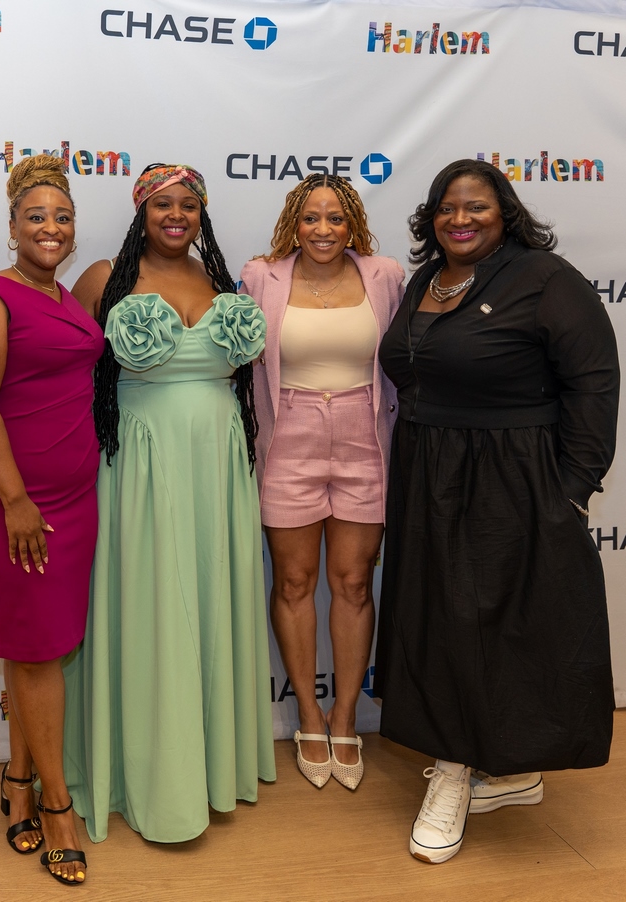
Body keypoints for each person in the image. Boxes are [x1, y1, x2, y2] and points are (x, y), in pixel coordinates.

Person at [374, 158, 619, 863]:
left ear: (504, 213)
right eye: (446, 207)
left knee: (486, 622)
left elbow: (594, 384)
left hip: (509, 478)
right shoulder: (427, 280)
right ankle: (502, 768)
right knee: (439, 617)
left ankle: (455, 772)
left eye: (475, 206)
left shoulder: (546, 280)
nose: (460, 219)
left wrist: (571, 488)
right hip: (428, 472)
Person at [62, 163, 275, 844]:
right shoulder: (105, 277)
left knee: (208, 603)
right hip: (140, 465)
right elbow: (64, 367)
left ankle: (206, 769)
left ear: (202, 214)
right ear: (141, 212)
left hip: (216, 466)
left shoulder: (219, 280)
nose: (176, 214)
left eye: (188, 204)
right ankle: (146, 778)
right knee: (149, 606)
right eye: (162, 204)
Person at [0, 154, 103, 885]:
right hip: (6, 498)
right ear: (11, 226)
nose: (50, 227)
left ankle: (17, 781)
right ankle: (58, 807)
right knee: (38, 652)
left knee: (33, 646)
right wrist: (15, 501)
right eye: (36, 216)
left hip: (70, 497)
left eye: (62, 216)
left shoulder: (66, 297)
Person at [240, 173, 404, 790]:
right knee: (293, 581)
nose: (324, 229)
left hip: (365, 435)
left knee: (354, 582)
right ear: (294, 223)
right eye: (311, 217)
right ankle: (308, 714)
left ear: (352, 223)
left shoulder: (385, 275)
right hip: (290, 436)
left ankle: (345, 717)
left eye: (336, 217)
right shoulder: (261, 277)